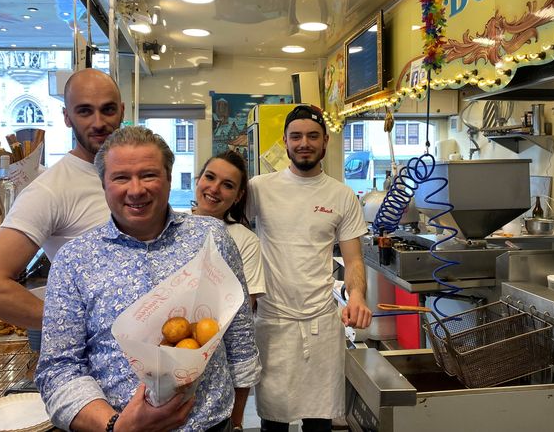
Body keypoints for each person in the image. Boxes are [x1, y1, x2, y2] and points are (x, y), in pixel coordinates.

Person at [35, 126, 261, 431]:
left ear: (169, 179)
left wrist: (235, 424)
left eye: (149, 175)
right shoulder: (74, 261)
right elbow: (58, 370)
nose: (136, 189)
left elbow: (240, 341)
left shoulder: (212, 238)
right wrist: (117, 425)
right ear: (103, 184)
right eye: (121, 177)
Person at [0, 68, 124, 329]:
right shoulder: (51, 189)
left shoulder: (132, 177)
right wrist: (79, 324)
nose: (98, 123)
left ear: (122, 111)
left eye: (108, 110)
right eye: (84, 111)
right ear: (67, 117)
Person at [247, 104, 372, 432]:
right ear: (285, 141)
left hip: (320, 323)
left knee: (319, 423)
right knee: (273, 422)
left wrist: (357, 295)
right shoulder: (260, 188)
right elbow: (230, 230)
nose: (305, 143)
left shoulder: (341, 195)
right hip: (273, 322)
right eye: (297, 136)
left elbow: (354, 258)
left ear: (325, 141)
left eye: (312, 136)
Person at [192, 149, 266, 431]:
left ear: (237, 197)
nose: (214, 189)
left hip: (218, 367)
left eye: (227, 185)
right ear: (198, 179)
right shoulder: (170, 227)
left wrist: (236, 420)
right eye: (209, 178)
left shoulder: (243, 240)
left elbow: (242, 326)